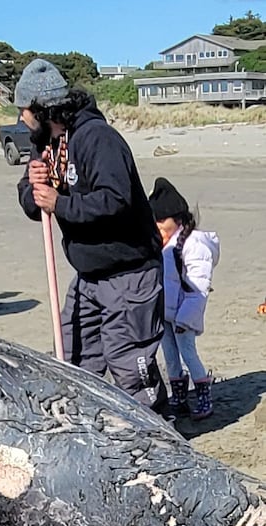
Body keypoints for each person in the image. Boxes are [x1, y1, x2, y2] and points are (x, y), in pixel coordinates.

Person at [15, 58, 168, 412]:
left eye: (24, 110)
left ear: (43, 108)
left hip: (130, 271)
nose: (21, 119)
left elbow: (116, 200)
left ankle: (157, 436)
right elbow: (34, 202)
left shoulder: (97, 138)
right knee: (75, 356)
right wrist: (33, 189)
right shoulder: (46, 143)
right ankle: (93, 430)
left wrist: (61, 204)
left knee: (129, 365)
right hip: (88, 275)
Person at [149, 178, 220, 419]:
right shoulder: (162, 245)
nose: (158, 225)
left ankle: (203, 395)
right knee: (169, 354)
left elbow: (198, 287)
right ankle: (179, 396)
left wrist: (185, 319)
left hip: (184, 313)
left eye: (161, 220)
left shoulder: (193, 245)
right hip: (165, 311)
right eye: (154, 221)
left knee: (188, 352)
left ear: (177, 219)